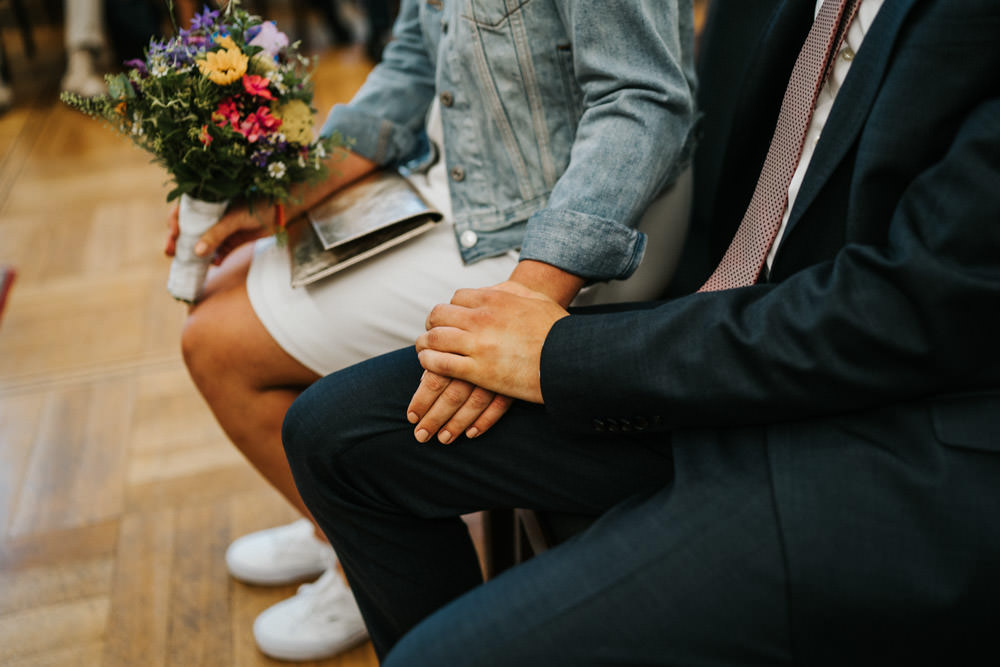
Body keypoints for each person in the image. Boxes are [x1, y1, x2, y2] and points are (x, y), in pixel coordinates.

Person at [281, 0, 1000, 663]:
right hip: (745, 335)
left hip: (879, 435)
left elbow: (909, 309)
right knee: (331, 433)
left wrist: (563, 350)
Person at [171, 0, 698, 660]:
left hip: (575, 218)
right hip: (469, 179)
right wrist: (296, 188)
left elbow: (641, 100)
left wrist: (529, 294)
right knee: (235, 282)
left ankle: (355, 554)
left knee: (216, 344)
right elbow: (415, 57)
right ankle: (335, 527)